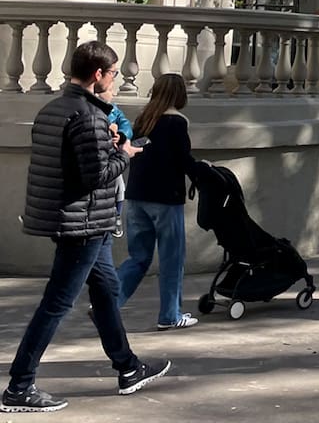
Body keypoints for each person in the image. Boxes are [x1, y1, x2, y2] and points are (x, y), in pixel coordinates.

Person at [3, 41, 169, 413]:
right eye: (112, 74)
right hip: (83, 223)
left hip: (70, 218)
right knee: (57, 303)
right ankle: (20, 385)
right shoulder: (90, 116)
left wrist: (105, 145)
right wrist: (123, 153)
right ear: (98, 74)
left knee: (107, 288)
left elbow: (68, 163)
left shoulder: (53, 109)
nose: (113, 80)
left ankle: (127, 367)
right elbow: (96, 176)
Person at [116, 74, 201, 330]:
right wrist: (203, 173)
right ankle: (170, 315)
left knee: (138, 257)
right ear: (179, 94)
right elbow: (183, 159)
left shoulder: (143, 120)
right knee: (171, 259)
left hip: (137, 196)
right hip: (165, 199)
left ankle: (107, 303)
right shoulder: (177, 122)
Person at [97, 84, 133, 239]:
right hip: (100, 158)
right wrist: (107, 128)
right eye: (109, 90)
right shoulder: (92, 111)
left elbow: (126, 124)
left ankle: (117, 215)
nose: (113, 93)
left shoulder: (114, 110)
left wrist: (122, 135)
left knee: (120, 186)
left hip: (112, 156)